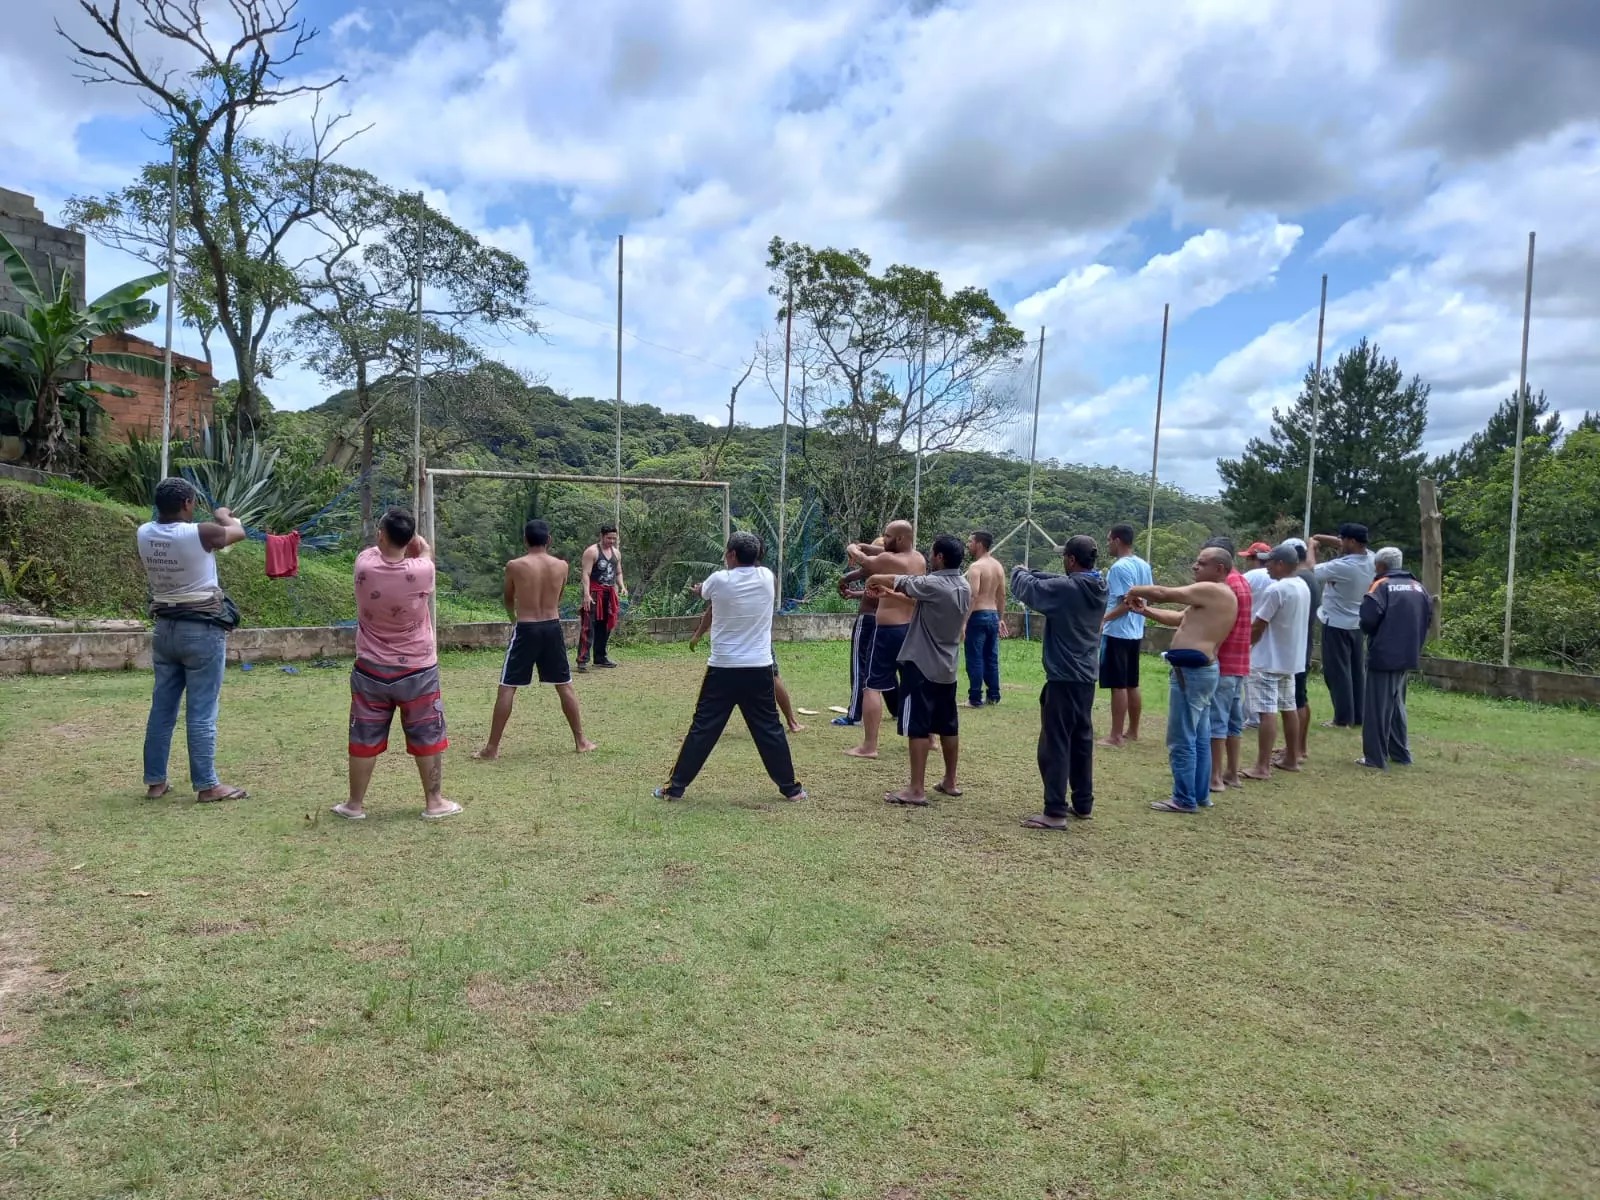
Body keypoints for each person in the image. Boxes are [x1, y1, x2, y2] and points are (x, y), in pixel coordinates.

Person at [654, 531, 804, 802]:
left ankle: (675, 788)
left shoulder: (719, 579)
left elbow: (705, 592)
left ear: (732, 555)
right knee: (769, 728)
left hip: (723, 668)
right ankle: (791, 789)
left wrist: (700, 589)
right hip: (759, 667)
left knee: (703, 728)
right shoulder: (767, 577)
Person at [334, 508, 459, 820]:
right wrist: (420, 546)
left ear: (381, 535)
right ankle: (434, 802)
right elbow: (425, 555)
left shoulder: (364, 564)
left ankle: (354, 804)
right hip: (418, 668)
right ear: (410, 538)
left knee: (364, 736)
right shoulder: (423, 570)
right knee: (427, 735)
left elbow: (380, 551)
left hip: (370, 668)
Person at [136, 476, 250, 803]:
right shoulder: (201, 532)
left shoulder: (144, 532)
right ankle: (207, 785)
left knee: (162, 709)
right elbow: (238, 532)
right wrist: (224, 515)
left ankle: (155, 782)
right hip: (201, 630)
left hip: (165, 629)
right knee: (201, 711)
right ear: (187, 503)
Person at [1125, 547, 1239, 813]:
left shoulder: (1212, 590)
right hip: (1200, 671)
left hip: (1192, 673)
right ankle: (1199, 795)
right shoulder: (1215, 595)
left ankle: (1184, 798)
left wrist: (1134, 589)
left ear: (1219, 569)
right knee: (1199, 736)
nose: (1195, 567)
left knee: (1182, 737)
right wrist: (1145, 611)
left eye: (1202, 563)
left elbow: (1163, 593)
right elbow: (1180, 619)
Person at [475, 520, 596, 760]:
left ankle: (492, 748)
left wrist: (513, 619)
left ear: (525, 540)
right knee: (564, 684)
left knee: (507, 686)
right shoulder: (562, 566)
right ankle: (581, 741)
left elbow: (508, 598)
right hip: (552, 626)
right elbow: (558, 596)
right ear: (549, 540)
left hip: (526, 627)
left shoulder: (514, 566)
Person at [865, 533, 972, 805]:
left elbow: (901, 580)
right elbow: (924, 602)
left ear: (940, 557)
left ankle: (916, 789)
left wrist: (874, 578)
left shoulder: (933, 583)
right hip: (947, 668)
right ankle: (950, 781)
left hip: (922, 666)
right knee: (948, 725)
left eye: (933, 552)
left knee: (918, 727)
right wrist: (891, 595)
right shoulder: (963, 585)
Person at [1011, 535, 1108, 831]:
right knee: (1080, 741)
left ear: (1071, 560)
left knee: (1055, 744)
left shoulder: (1067, 590)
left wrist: (1018, 570)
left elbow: (1028, 588)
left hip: (1063, 678)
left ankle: (1054, 811)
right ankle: (1083, 803)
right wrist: (1036, 573)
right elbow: (1054, 581)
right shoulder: (1099, 585)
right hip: (1085, 678)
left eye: (1064, 557)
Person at [843, 521, 925, 759]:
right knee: (916, 684)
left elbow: (865, 562)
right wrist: (869, 546)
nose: (884, 539)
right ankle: (929, 738)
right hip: (912, 629)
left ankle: (869, 746)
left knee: (872, 686)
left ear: (900, 539)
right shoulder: (918, 558)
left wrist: (853, 548)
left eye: (888, 536)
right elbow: (883, 553)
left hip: (889, 630)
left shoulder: (889, 560)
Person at [1358, 547, 1433, 770]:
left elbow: (1368, 620)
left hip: (1383, 654)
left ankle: (1375, 758)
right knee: (1397, 703)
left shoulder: (1381, 585)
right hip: (1408, 653)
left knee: (1377, 707)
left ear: (1380, 565)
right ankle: (1400, 753)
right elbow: (1428, 618)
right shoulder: (1418, 587)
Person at [1241, 544, 1311, 781]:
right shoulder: (1302, 585)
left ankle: (1262, 766)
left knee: (1267, 712)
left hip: (1267, 660)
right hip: (1290, 659)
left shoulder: (1276, 589)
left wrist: (1245, 646)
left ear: (1280, 564)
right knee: (1288, 707)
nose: (1266, 566)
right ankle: (1292, 757)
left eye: (1269, 562)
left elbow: (1259, 624)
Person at [1310, 523, 1376, 727]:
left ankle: (1342, 718)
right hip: (1357, 623)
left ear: (1352, 541)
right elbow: (1343, 544)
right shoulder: (1372, 559)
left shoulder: (1342, 566)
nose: (1340, 543)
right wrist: (1318, 536)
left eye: (1343, 539)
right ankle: (1358, 715)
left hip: (1336, 623)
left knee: (1337, 672)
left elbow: (1311, 570)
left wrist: (1311, 547)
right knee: (1356, 672)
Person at [1097, 522, 1154, 746]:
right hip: (1135, 632)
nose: (1108, 544)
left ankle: (1115, 736)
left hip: (1118, 632)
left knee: (1118, 684)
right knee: (1132, 683)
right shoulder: (1143, 565)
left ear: (1117, 540)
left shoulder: (1119, 568)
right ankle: (1132, 730)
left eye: (1109, 540)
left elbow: (1126, 603)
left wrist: (1103, 619)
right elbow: (1146, 597)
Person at [1283, 538, 1323, 765]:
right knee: (1300, 696)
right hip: (1303, 643)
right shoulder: (1310, 577)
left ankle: (1296, 750)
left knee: (1296, 699)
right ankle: (1299, 746)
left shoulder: (1299, 580)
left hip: (1296, 646)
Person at [832, 550, 879, 727]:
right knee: (879, 668)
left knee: (859, 666)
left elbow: (857, 573)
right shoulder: (900, 565)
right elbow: (873, 591)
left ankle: (854, 715)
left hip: (867, 620)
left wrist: (843, 581)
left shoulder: (880, 562)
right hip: (884, 621)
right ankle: (897, 709)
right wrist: (854, 594)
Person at [962, 530, 1006, 707]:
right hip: (993, 614)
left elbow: (973, 595)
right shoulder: (998, 566)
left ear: (979, 544)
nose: (968, 545)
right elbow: (1002, 595)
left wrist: (964, 621)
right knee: (991, 657)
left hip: (978, 615)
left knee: (975, 657)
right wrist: (1000, 618)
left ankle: (974, 698)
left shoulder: (976, 567)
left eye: (970, 542)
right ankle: (993, 695)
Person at [576, 524, 626, 671]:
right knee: (588, 626)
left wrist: (622, 586)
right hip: (594, 593)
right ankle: (582, 660)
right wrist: (586, 594)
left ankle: (600, 657)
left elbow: (618, 572)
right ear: (602, 536)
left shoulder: (616, 553)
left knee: (606, 626)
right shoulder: (592, 552)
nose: (612, 541)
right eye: (609, 538)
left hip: (609, 593)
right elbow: (586, 574)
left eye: (614, 538)